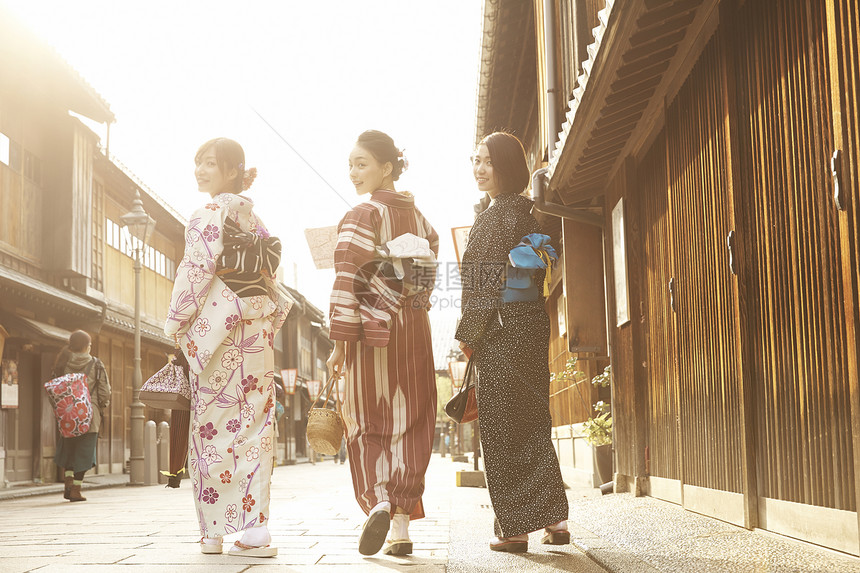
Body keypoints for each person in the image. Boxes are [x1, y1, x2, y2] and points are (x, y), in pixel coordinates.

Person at [165, 137, 292, 557]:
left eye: (210, 163)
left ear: (235, 170)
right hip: (256, 334)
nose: (200, 170)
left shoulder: (207, 214)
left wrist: (176, 321)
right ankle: (256, 530)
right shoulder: (255, 220)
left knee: (213, 429)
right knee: (255, 429)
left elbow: (196, 270)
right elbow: (270, 276)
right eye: (198, 162)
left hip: (219, 333)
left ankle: (214, 533)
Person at [455, 132, 570, 552]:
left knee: (502, 428)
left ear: (506, 166)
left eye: (487, 161)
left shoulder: (493, 217)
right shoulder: (527, 213)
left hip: (501, 330)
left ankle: (515, 530)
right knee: (534, 422)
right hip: (530, 325)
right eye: (475, 159)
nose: (479, 168)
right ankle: (555, 520)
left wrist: (468, 335)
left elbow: (485, 285)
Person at [326, 130, 438, 557]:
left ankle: (380, 501)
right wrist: (410, 299)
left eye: (361, 164)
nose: (353, 172)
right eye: (351, 164)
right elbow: (426, 279)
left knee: (366, 416)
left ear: (386, 167)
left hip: (372, 331)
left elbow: (347, 276)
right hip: (414, 327)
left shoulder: (362, 213)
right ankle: (402, 529)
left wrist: (340, 341)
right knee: (411, 421)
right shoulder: (421, 220)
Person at [52, 330, 111, 502]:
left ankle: (68, 481)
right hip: (89, 413)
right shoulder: (96, 364)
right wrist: (102, 406)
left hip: (67, 412)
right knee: (85, 452)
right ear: (86, 346)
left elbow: (55, 389)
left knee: (69, 448)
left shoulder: (62, 362)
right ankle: (76, 489)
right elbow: (104, 392)